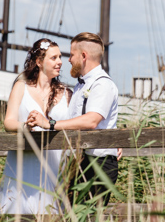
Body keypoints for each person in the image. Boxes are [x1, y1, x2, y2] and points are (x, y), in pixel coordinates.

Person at [0, 38, 71, 222]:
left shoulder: (66, 93)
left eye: (60, 57)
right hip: (23, 164)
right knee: (17, 218)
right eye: (54, 58)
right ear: (39, 61)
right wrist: (25, 125)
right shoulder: (21, 87)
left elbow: (80, 124)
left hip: (53, 167)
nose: (60, 62)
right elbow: (8, 121)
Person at [26, 32, 119, 205]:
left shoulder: (102, 84)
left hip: (98, 164)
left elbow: (91, 120)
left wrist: (50, 124)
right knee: (72, 221)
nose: (68, 60)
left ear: (83, 56)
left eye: (71, 55)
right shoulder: (80, 85)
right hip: (81, 161)